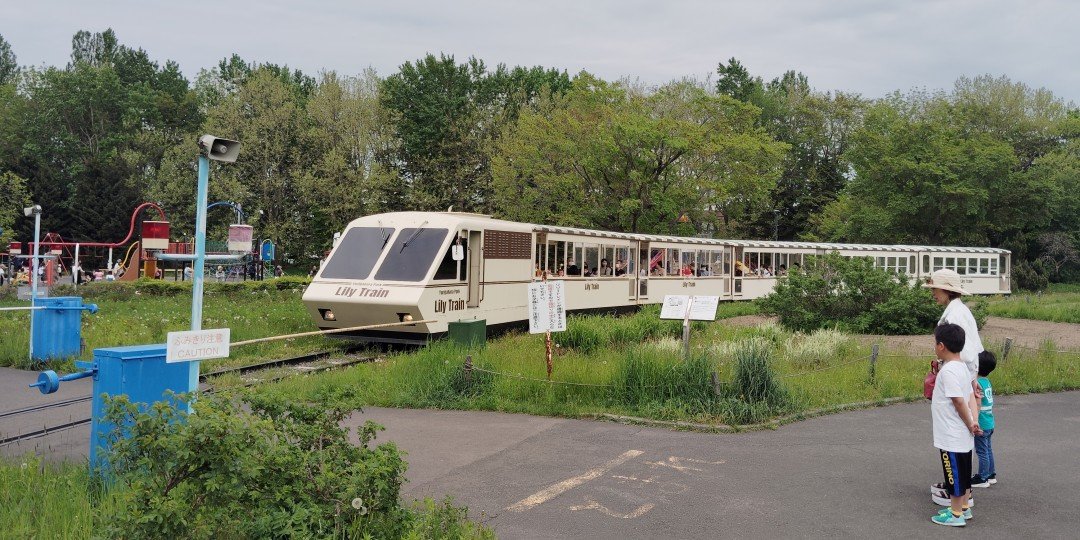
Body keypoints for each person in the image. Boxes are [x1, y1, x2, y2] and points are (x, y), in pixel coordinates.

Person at [928, 323, 980, 527]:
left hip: (952, 435)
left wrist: (969, 423)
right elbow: (970, 397)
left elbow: (958, 401)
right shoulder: (963, 368)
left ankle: (955, 514)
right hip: (964, 435)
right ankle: (964, 509)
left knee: (953, 475)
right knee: (964, 473)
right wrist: (973, 422)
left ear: (941, 346)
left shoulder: (949, 371)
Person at [923, 269, 984, 422]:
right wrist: (973, 380)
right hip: (963, 377)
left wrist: (971, 381)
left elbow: (967, 353)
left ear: (947, 290)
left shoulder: (955, 315)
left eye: (934, 289)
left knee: (956, 423)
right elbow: (976, 349)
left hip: (957, 378)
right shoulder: (962, 311)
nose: (932, 293)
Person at [970, 350, 997, 488]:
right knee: (988, 449)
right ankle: (991, 474)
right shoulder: (986, 381)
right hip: (990, 422)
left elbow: (977, 404)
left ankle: (982, 478)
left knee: (981, 451)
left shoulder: (977, 383)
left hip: (982, 423)